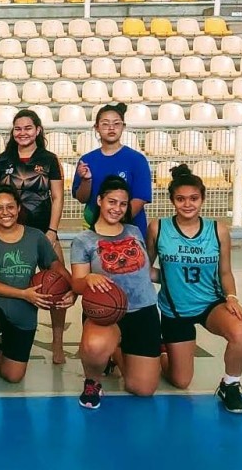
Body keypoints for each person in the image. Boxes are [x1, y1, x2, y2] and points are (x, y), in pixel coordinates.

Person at [146, 164, 242, 414]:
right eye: (181, 199)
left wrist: (232, 297)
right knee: (181, 382)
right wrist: (168, 277)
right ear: (172, 201)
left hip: (210, 304)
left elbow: (225, 272)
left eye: (193, 198)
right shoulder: (158, 228)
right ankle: (163, 353)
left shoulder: (219, 230)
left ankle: (231, 385)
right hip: (175, 311)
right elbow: (146, 269)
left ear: (203, 198)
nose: (188, 204)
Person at [0, 185, 72, 401]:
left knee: (13, 375)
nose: (5, 213)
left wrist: (74, 290)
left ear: (18, 208)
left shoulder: (35, 237)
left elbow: (58, 269)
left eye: (10, 207)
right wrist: (23, 293)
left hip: (23, 313)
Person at [70, 175, 161, 410]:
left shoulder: (134, 231)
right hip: (106, 312)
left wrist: (175, 275)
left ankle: (117, 351)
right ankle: (92, 382)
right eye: (112, 202)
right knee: (94, 347)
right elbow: (77, 284)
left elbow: (145, 271)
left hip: (143, 310)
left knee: (143, 389)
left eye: (122, 204)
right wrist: (88, 277)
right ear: (99, 200)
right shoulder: (83, 240)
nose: (117, 208)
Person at [0, 110, 73, 364]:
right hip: (10, 234)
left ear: (38, 130)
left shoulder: (49, 159)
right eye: (18, 128)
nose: (23, 133)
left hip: (43, 232)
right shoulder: (4, 159)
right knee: (11, 286)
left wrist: (52, 231)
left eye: (28, 128)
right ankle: (6, 337)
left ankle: (57, 343)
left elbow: (58, 197)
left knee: (58, 285)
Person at [72, 103, 152, 237]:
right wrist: (86, 180)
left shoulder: (137, 160)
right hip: (95, 230)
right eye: (105, 124)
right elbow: (82, 198)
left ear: (123, 127)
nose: (111, 128)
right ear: (96, 128)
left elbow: (140, 198)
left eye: (116, 124)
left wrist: (115, 222)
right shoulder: (87, 160)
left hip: (129, 231)